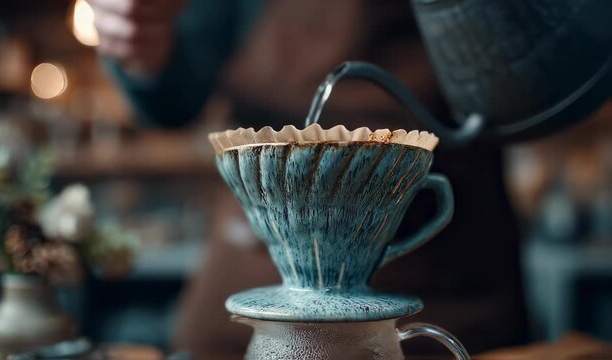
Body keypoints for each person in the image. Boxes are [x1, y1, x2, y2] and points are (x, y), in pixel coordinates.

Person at [88, 0, 528, 354]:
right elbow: (175, 92)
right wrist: (143, 42)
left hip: (446, 262)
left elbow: (537, 68)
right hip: (255, 254)